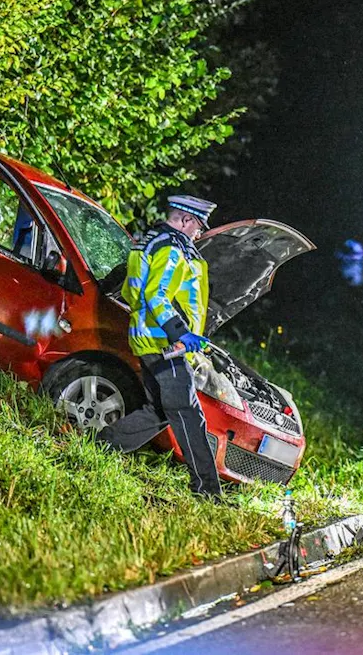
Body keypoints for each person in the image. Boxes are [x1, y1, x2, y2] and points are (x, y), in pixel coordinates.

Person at [107, 195, 222, 498]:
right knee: (188, 413)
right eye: (198, 227)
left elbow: (131, 287)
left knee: (159, 410)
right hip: (164, 342)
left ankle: (100, 445)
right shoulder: (172, 247)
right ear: (185, 220)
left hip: (148, 338)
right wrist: (181, 334)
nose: (199, 234)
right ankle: (208, 491)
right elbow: (156, 294)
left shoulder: (148, 240)